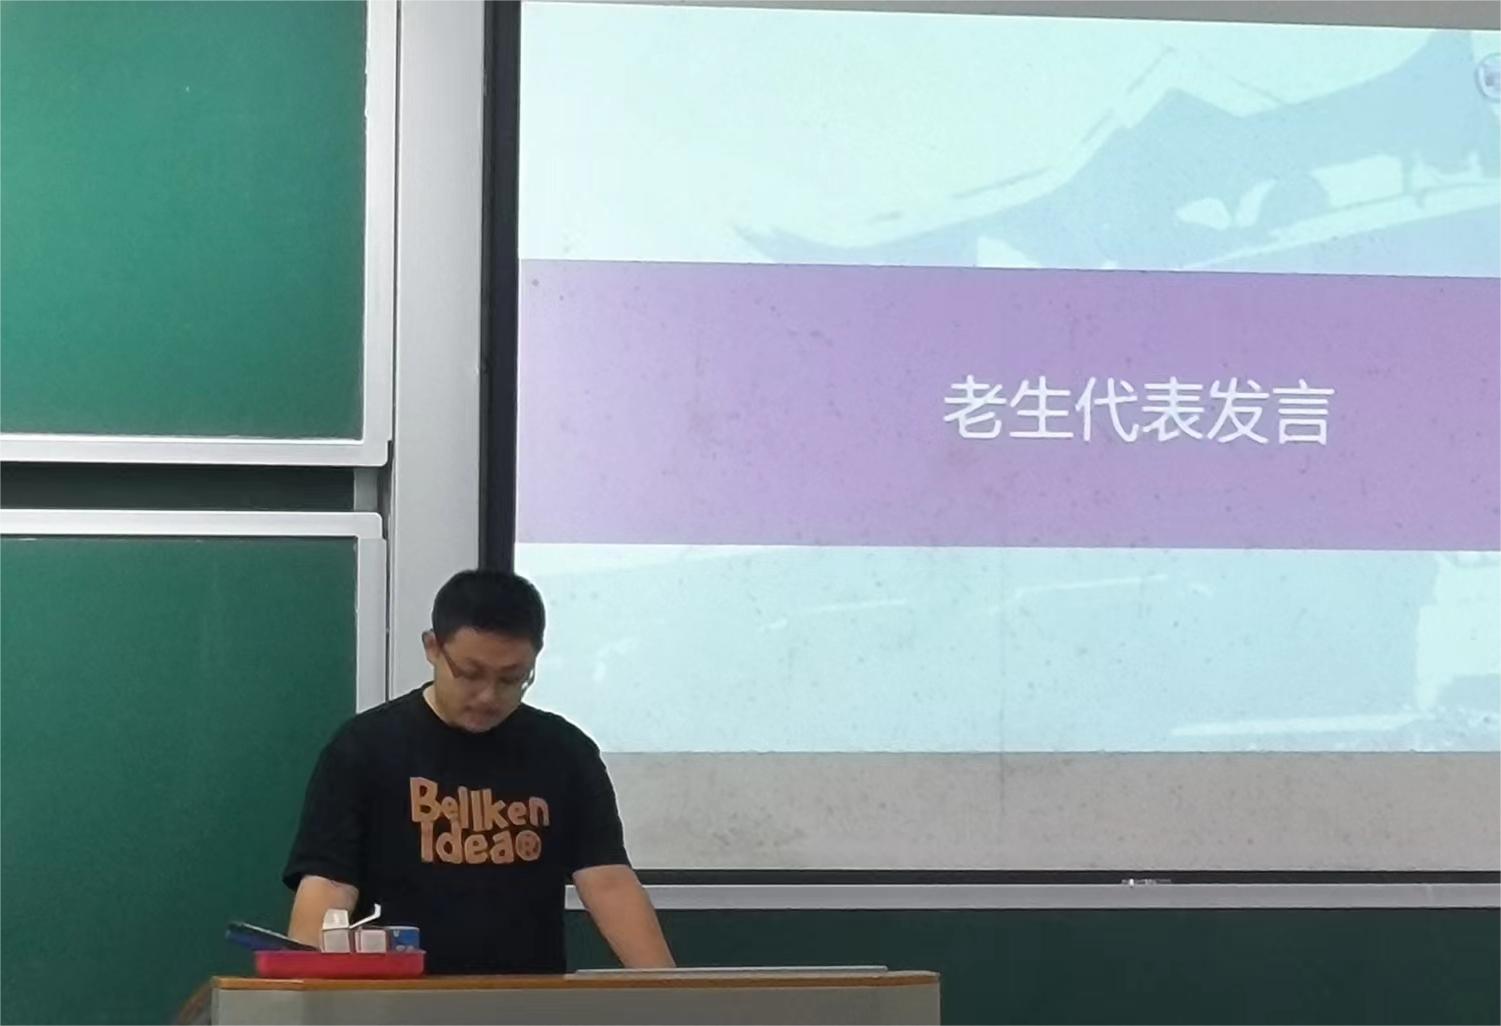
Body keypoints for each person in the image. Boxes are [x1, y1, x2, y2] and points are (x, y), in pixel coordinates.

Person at [282, 569, 674, 973]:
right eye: (470, 674)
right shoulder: (364, 747)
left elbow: (608, 881)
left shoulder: (564, 752)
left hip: (526, 997)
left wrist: (671, 991)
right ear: (433, 648)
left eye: (512, 678)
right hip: (395, 997)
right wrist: (302, 992)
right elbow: (329, 884)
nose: (489, 696)